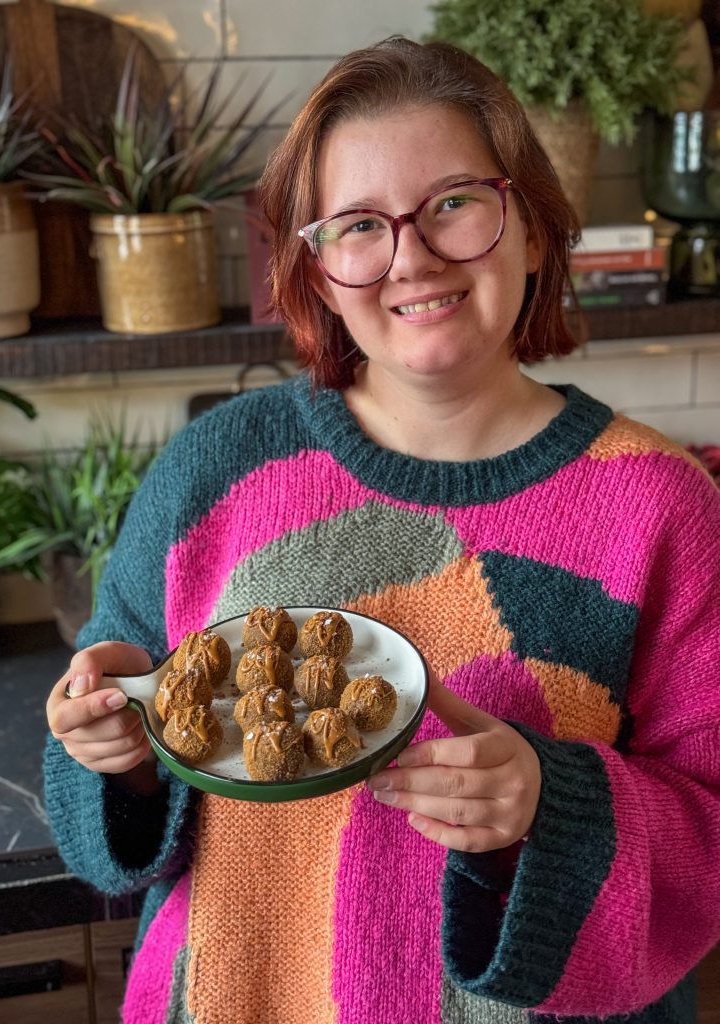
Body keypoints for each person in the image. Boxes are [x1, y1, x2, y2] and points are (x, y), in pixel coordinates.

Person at [44, 36, 720, 1024]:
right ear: (315, 268)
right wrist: (111, 748)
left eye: (453, 202)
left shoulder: (661, 504)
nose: (411, 257)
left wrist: (547, 800)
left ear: (530, 226)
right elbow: (100, 765)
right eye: (360, 224)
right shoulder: (215, 469)